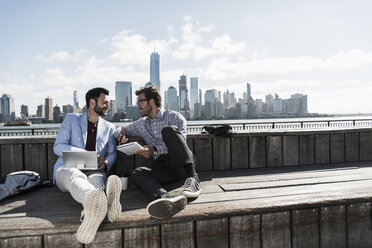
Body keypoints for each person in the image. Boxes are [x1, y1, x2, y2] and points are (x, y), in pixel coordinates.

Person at [116, 86, 201, 219]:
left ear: (151, 102)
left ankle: (193, 180)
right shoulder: (141, 124)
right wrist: (119, 134)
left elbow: (181, 142)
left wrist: (154, 149)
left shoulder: (174, 117)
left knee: (168, 131)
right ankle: (164, 198)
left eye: (140, 102)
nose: (138, 106)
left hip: (181, 164)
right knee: (138, 173)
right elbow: (120, 129)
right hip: (163, 169)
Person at [53, 87, 121, 244]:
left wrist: (105, 162)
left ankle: (88, 214)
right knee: (73, 175)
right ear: (92, 102)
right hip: (67, 169)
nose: (108, 106)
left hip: (94, 170)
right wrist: (88, 156)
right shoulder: (71, 119)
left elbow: (112, 154)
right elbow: (58, 146)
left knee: (97, 179)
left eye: (108, 103)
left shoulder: (110, 127)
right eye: (105, 103)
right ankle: (100, 201)